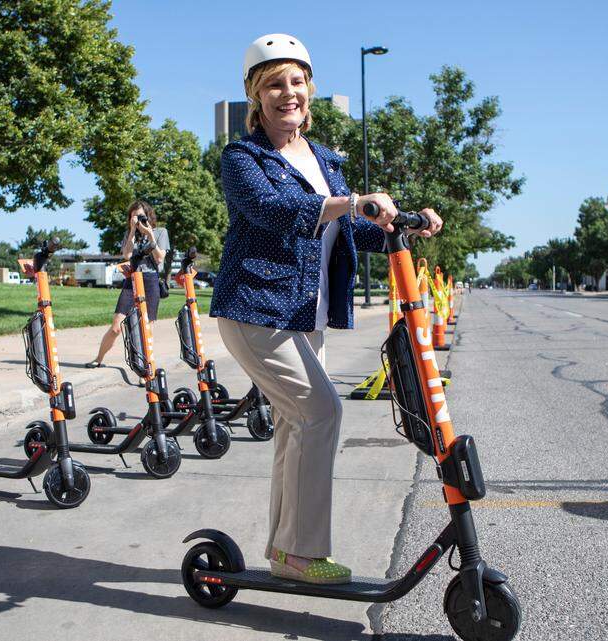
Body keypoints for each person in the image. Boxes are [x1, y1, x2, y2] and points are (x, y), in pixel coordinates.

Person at [210, 34, 443, 585]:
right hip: (255, 308)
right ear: (256, 97)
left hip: (304, 313)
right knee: (322, 412)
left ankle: (285, 550)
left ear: (309, 90)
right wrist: (350, 202)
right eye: (274, 85)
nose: (287, 93)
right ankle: (303, 551)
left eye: (295, 81)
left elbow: (351, 227)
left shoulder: (324, 159)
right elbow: (273, 211)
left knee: (298, 428)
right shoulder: (243, 158)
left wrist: (403, 220)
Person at [86, 200, 170, 368]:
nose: (137, 219)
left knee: (146, 328)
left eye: (140, 216)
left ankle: (146, 367)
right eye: (133, 217)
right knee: (116, 327)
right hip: (131, 281)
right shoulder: (130, 234)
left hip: (150, 281)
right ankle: (99, 358)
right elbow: (127, 254)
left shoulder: (160, 232)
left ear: (148, 215)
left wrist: (149, 234)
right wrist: (133, 231)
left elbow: (159, 258)